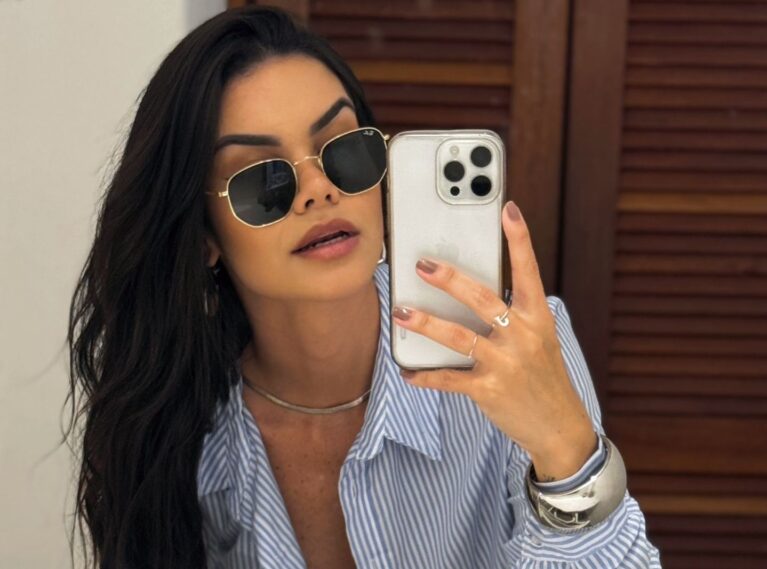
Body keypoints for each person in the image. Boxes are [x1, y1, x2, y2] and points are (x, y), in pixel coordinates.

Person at [65, 5, 662, 568]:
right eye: (263, 180)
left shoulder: (516, 352)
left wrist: (566, 452)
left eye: (344, 151)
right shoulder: (176, 428)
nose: (319, 190)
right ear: (204, 236)